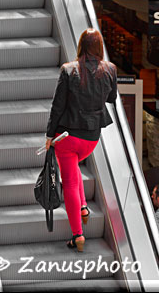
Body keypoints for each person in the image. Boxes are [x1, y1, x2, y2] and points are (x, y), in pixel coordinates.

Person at [45, 28, 117, 252]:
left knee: (70, 184)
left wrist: (49, 135)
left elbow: (57, 106)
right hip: (91, 138)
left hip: (67, 137)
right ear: (99, 47)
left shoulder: (68, 70)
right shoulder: (110, 70)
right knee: (74, 165)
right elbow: (112, 98)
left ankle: (78, 235)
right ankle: (84, 208)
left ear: (80, 46)